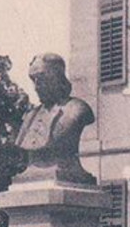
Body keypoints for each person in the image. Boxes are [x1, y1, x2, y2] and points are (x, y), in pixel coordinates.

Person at [15, 53, 96, 184]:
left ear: (58, 78)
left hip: (66, 172)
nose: (36, 86)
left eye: (42, 78)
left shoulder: (77, 110)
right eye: (33, 80)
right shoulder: (30, 117)